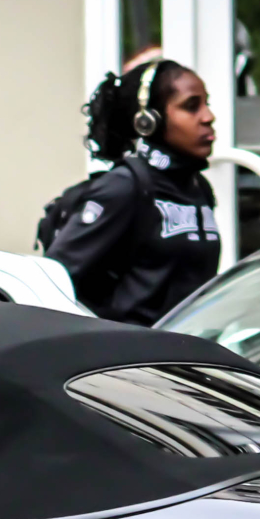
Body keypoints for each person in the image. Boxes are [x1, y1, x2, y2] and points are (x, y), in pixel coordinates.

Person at [36, 58, 222, 325]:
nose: (208, 117)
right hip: (132, 358)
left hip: (184, 353)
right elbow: (53, 279)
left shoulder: (198, 188)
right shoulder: (125, 186)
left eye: (207, 104)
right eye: (191, 106)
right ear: (148, 120)